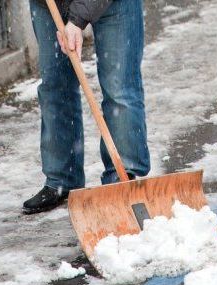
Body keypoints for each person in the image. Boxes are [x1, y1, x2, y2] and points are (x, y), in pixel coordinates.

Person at [23, 0, 150, 214]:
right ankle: (62, 179)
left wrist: (77, 19)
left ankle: (121, 177)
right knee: (55, 87)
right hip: (50, 5)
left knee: (120, 89)